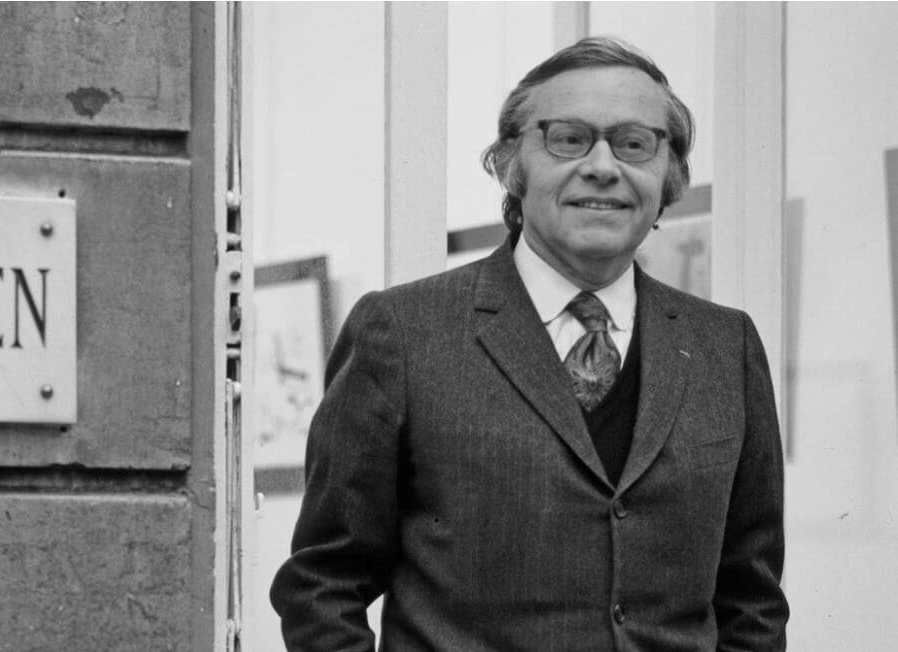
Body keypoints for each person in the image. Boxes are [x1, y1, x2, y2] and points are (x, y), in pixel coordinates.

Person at [269, 36, 788, 651]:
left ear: (668, 175)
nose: (602, 166)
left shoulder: (725, 345)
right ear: (512, 164)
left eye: (634, 143)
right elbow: (324, 585)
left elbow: (751, 599)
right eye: (569, 138)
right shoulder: (403, 332)